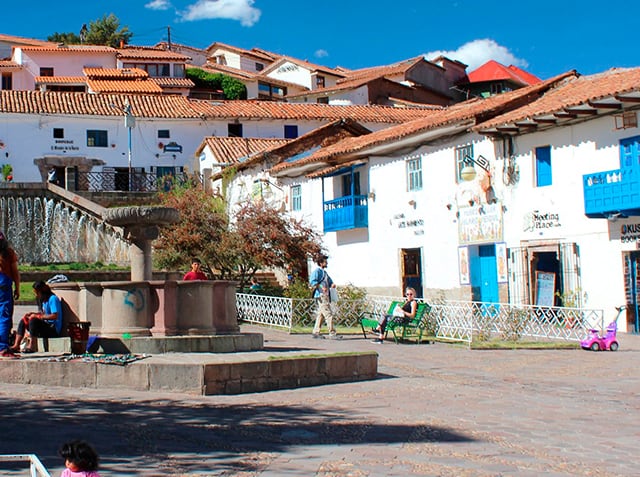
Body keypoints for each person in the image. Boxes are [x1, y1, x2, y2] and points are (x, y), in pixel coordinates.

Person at [10, 281, 62, 353]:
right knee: (24, 320)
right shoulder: (44, 301)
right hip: (45, 326)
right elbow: (43, 313)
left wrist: (38, 316)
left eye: (37, 293)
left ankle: (32, 346)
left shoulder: (53, 299)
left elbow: (54, 316)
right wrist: (33, 314)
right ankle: (16, 345)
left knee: (33, 320)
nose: (36, 295)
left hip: (53, 329)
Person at [309, 254, 340, 340]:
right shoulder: (317, 272)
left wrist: (332, 284)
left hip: (325, 295)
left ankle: (316, 331)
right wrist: (321, 287)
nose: (327, 263)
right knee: (328, 314)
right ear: (321, 263)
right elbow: (313, 281)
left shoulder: (324, 273)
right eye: (325, 262)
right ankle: (332, 332)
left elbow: (329, 281)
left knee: (321, 314)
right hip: (321, 295)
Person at [0, 231, 20, 358]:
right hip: (3, 288)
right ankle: (2, 348)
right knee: (4, 318)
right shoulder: (8, 253)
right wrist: (17, 288)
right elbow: (15, 272)